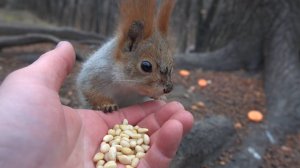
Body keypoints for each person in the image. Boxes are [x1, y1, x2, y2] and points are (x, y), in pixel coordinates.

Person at [0, 41, 194, 168]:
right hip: (98, 119)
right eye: (146, 68)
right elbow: (87, 86)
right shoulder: (108, 69)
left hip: (126, 123)